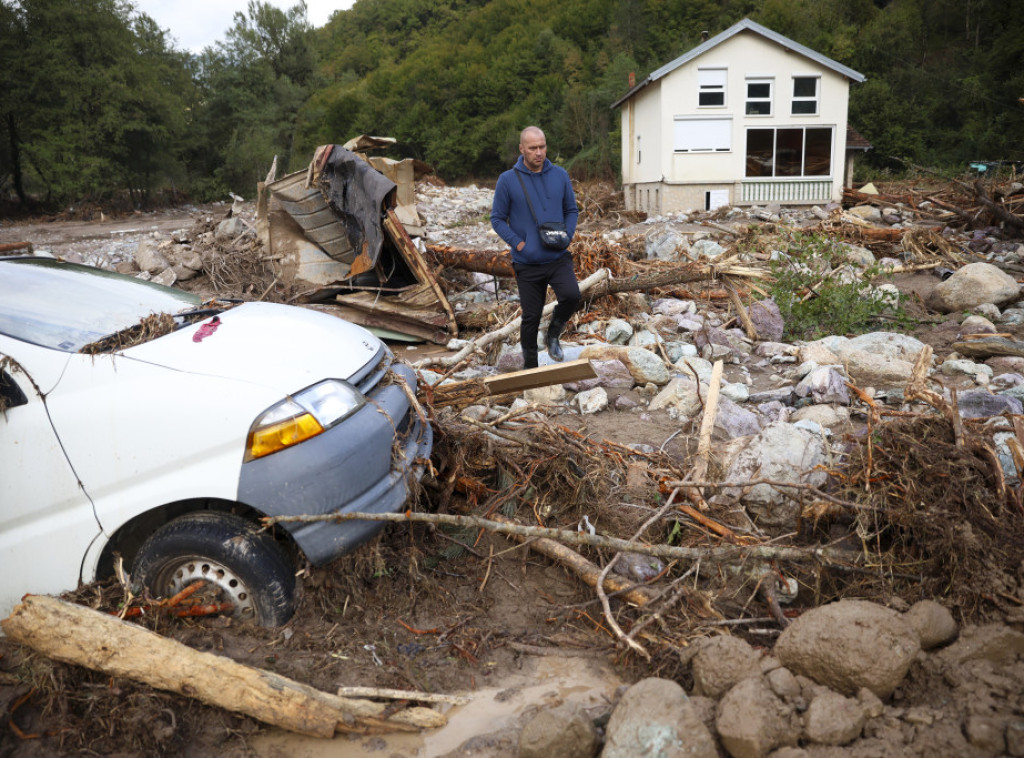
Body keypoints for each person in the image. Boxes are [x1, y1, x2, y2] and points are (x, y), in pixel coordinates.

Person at [491, 126, 581, 369]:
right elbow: (497, 219)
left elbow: (571, 210)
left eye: (542, 147)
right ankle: (530, 368)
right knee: (531, 317)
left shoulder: (560, 175)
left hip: (558, 255)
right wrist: (520, 243)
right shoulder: (507, 180)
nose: (539, 152)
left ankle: (553, 334)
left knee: (572, 296)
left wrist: (568, 235)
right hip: (527, 261)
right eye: (533, 148)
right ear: (522, 149)